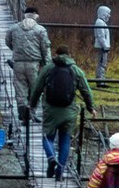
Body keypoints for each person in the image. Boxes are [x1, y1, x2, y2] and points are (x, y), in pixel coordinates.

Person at [29, 48, 94, 179]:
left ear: (56, 54)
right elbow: (86, 91)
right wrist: (90, 107)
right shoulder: (76, 70)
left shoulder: (48, 68)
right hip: (69, 112)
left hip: (50, 111)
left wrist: (32, 104)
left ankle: (51, 158)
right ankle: (60, 171)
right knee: (65, 140)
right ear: (69, 55)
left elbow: (37, 88)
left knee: (47, 137)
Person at [7, 5, 52, 99]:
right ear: (36, 16)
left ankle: (22, 111)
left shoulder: (13, 28)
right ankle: (33, 112)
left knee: (20, 91)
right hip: (34, 64)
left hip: (18, 63)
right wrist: (47, 64)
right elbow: (45, 48)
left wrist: (16, 50)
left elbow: (8, 42)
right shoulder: (41, 30)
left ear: (25, 15)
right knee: (36, 90)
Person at [91, 4, 114, 81]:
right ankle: (100, 79)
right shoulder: (100, 23)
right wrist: (105, 46)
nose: (109, 15)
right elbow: (101, 36)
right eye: (108, 13)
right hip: (102, 47)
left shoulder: (101, 22)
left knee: (102, 63)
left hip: (102, 46)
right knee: (101, 63)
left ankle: (101, 77)